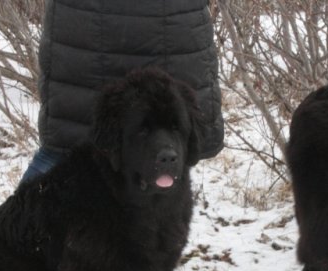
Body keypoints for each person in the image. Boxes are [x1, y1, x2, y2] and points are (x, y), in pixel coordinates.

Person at [21, 0, 224, 183]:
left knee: (64, 148)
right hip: (170, 29)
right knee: (167, 149)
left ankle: (15, 223)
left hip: (86, 30)